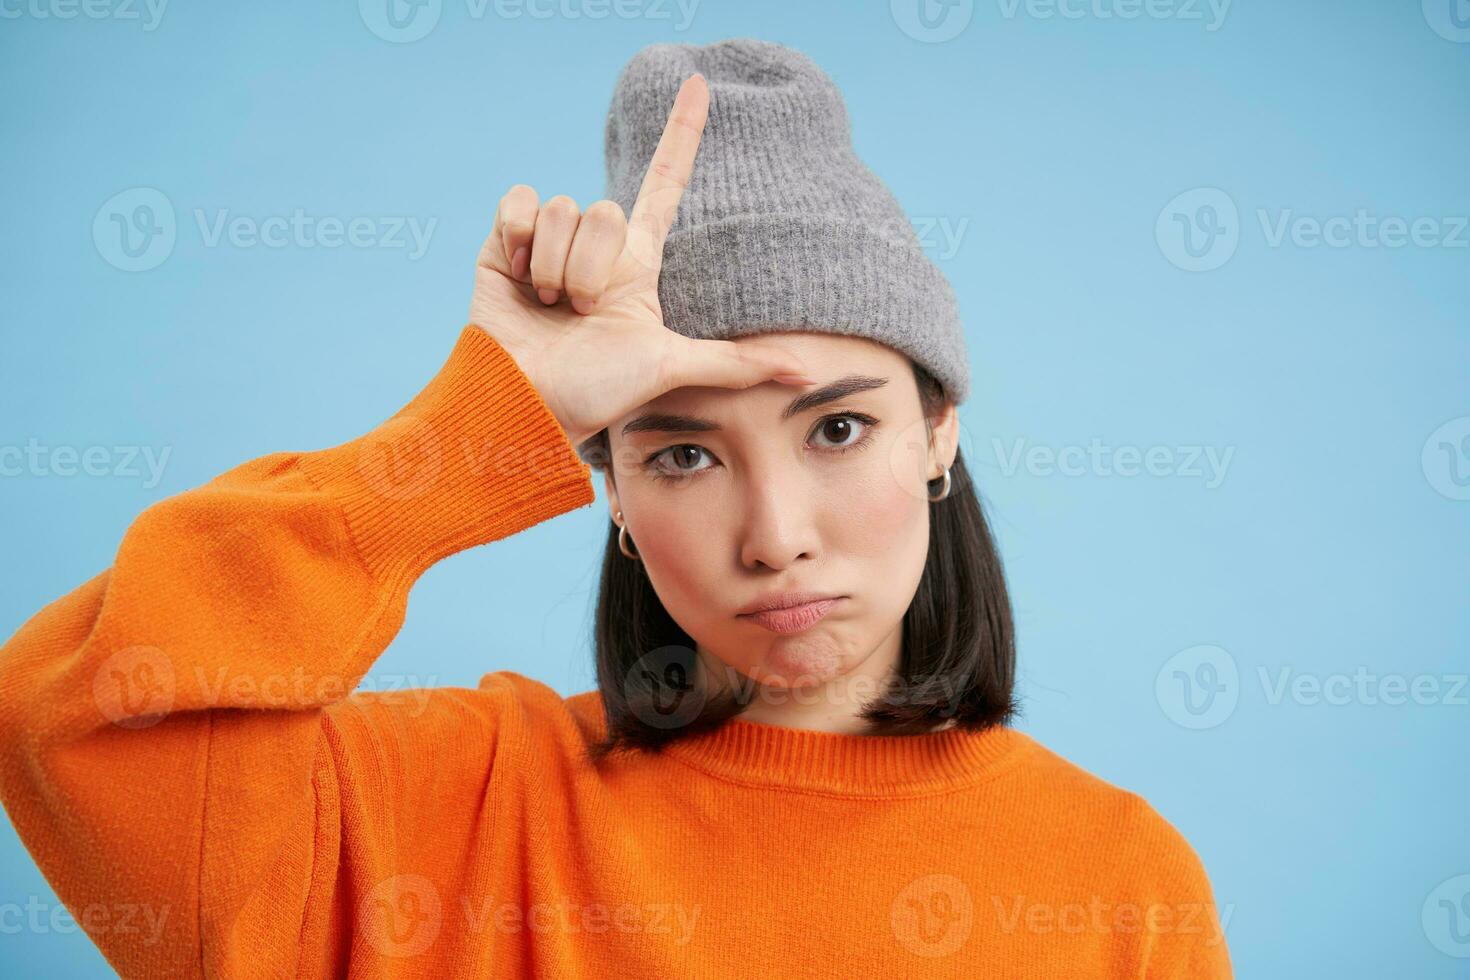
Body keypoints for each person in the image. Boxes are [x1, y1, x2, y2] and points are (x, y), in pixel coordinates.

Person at [0, 39, 1232, 978]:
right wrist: (483, 419)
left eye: (839, 428)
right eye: (685, 454)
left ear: (939, 433)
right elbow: (71, 720)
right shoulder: (455, 812)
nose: (775, 534)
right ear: (617, 500)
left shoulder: (1120, 883)